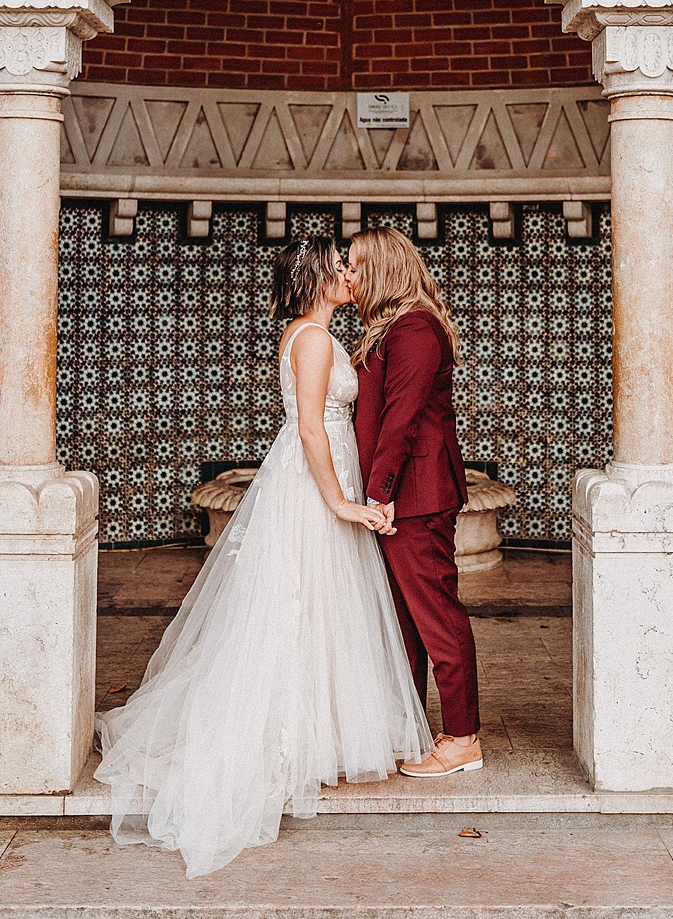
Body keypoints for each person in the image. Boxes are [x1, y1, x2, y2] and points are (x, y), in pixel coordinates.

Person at [94, 235, 431, 876]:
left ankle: (321, 736)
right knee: (292, 610)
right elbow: (309, 426)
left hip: (329, 476)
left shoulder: (323, 336)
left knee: (324, 611)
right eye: (340, 269)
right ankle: (283, 744)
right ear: (315, 280)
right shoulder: (309, 338)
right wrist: (340, 503)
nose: (349, 276)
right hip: (311, 486)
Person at [347, 226, 482, 778]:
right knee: (406, 619)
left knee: (436, 615)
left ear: (381, 268)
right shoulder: (393, 328)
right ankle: (414, 726)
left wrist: (378, 495)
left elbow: (399, 420)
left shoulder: (414, 329)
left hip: (416, 497)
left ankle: (464, 737)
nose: (347, 276)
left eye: (354, 265)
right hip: (406, 495)